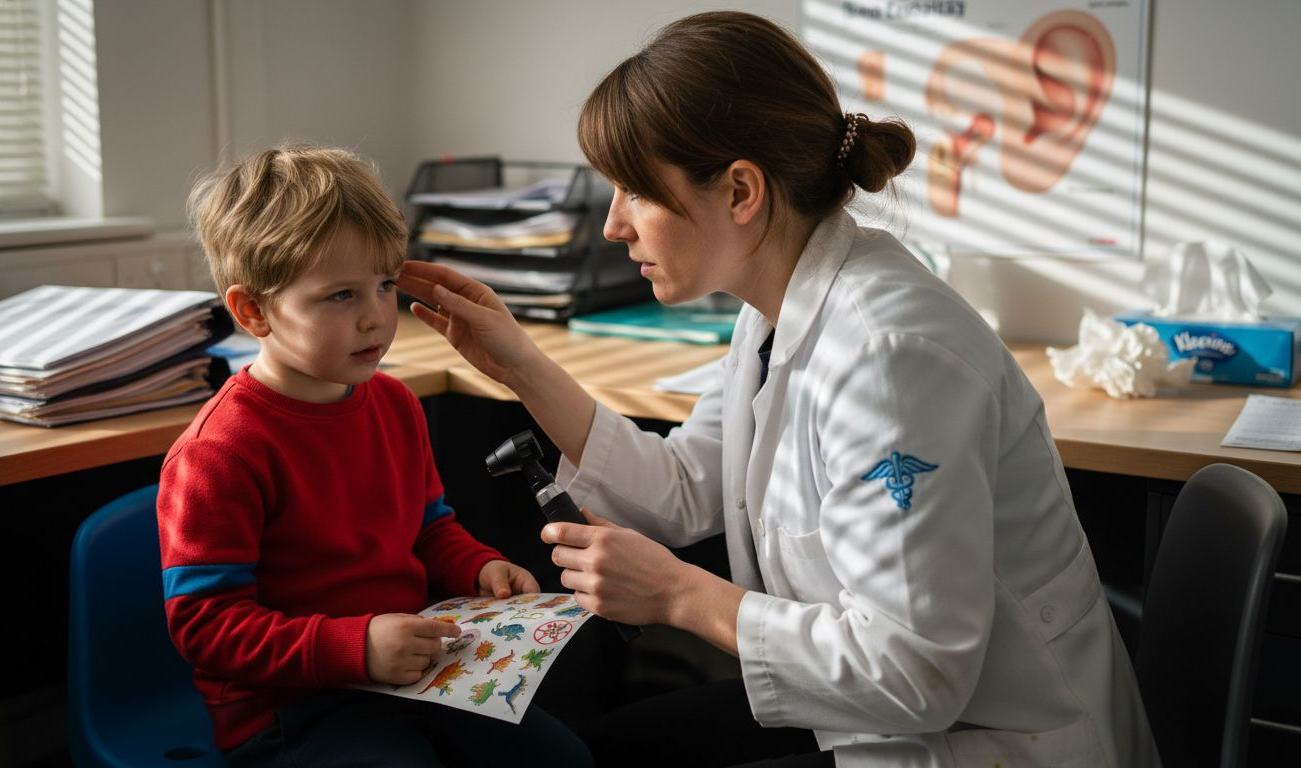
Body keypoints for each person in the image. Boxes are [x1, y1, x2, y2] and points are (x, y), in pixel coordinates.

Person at [398, 11, 1160, 768]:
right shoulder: (774, 313)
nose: (613, 226)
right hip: (876, 713)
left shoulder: (888, 358)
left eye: (635, 190)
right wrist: (520, 365)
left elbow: (916, 673)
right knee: (588, 754)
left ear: (740, 191)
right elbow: (685, 486)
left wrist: (678, 596)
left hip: (981, 738)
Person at [160, 143, 592, 767]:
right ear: (253, 311)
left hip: (412, 673)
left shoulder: (393, 403)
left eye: (384, 284)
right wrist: (354, 648)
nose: (377, 318)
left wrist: (476, 568)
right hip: (292, 710)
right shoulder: (218, 453)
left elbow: (428, 529)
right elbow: (206, 626)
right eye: (340, 296)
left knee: (563, 759)